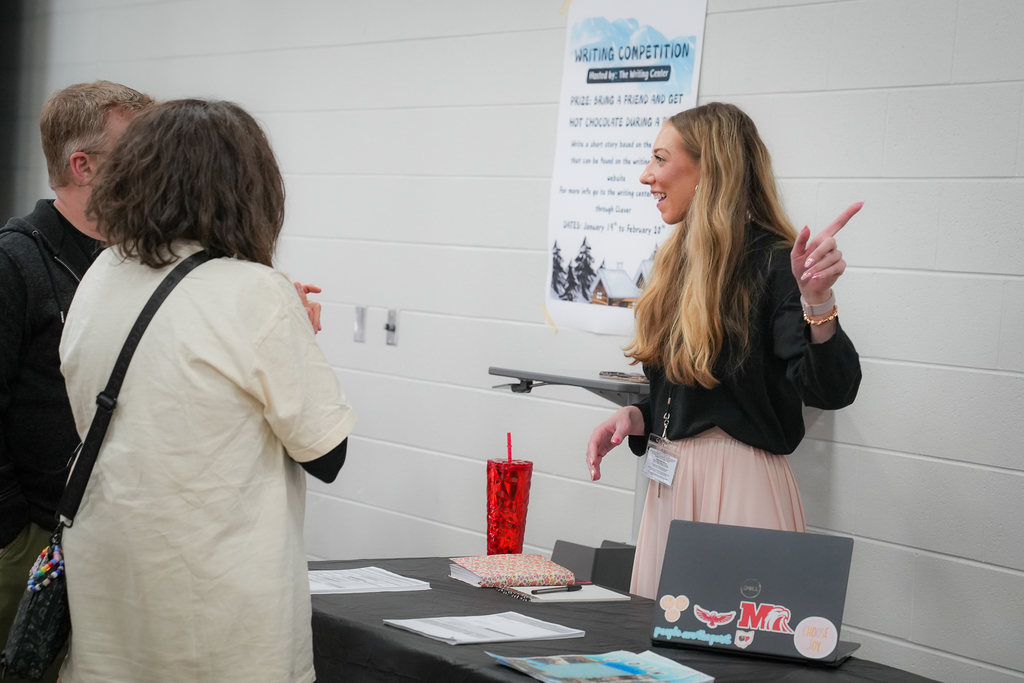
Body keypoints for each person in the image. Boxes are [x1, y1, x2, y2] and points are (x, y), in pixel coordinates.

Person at [58, 99, 357, 683]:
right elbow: (327, 454)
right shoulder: (257, 293)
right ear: (249, 189)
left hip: (112, 590)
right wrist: (297, 331)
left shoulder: (102, 273)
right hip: (220, 615)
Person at [585, 103, 862, 600]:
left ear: (708, 170)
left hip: (740, 491)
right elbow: (697, 392)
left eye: (660, 158)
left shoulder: (776, 262)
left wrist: (817, 300)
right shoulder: (674, 264)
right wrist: (637, 415)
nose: (646, 175)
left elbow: (832, 389)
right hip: (670, 484)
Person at [0, 80, 153, 683]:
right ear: (82, 165)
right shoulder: (15, 262)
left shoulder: (136, 266)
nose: (152, 171)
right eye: (136, 156)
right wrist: (15, 530)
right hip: (30, 538)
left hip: (102, 538)